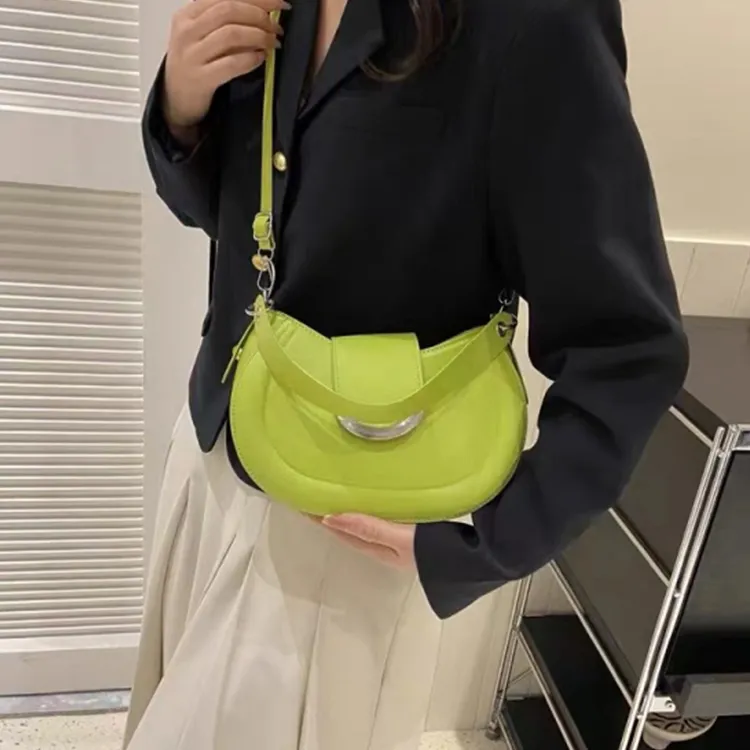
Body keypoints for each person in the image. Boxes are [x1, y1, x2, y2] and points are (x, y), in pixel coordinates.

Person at [124, 0, 689, 748]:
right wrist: (183, 111)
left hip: (342, 536)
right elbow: (253, 226)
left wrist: (495, 540)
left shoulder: (536, 18)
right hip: (213, 458)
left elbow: (626, 346)